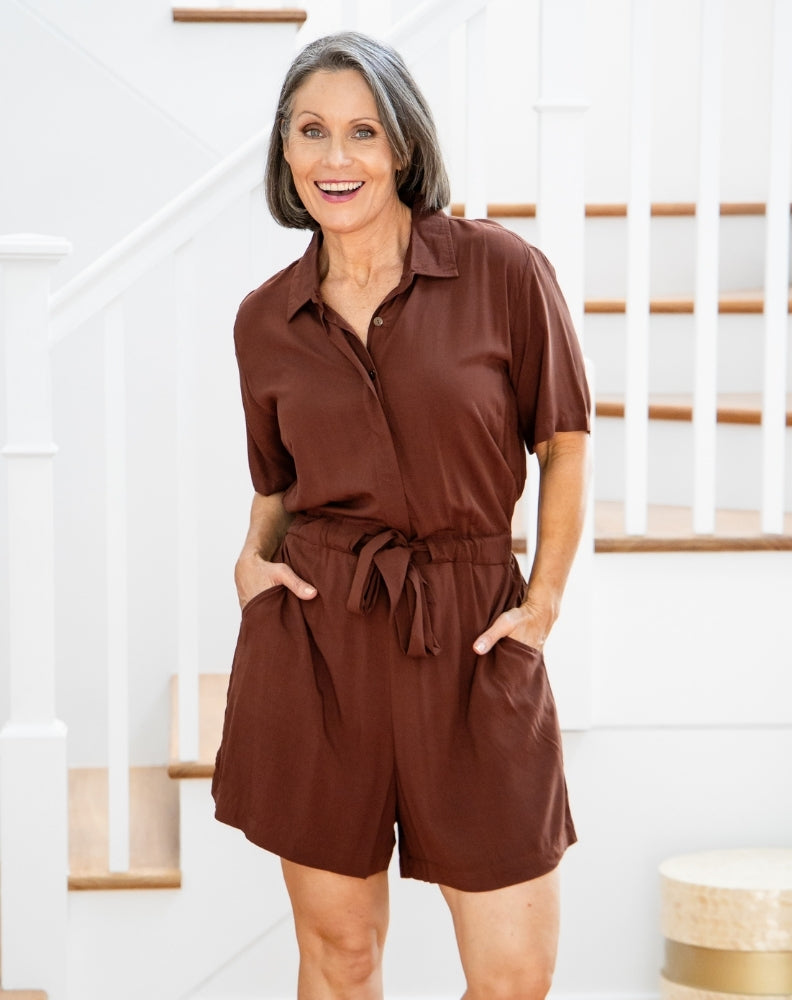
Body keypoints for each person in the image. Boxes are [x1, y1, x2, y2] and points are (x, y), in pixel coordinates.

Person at [212, 29, 591, 1000]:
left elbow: (563, 442)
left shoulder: (504, 271)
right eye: (311, 131)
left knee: (514, 974)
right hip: (320, 638)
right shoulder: (265, 319)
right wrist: (251, 560)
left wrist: (544, 601)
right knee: (339, 957)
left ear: (404, 146)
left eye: (362, 131)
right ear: (284, 150)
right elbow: (278, 484)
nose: (334, 157)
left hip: (471, 630)